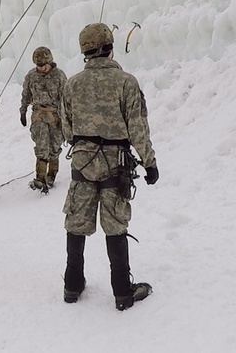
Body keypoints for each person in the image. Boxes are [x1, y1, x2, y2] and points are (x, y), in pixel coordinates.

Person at [60, 23, 159, 311]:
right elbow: (138, 127)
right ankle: (121, 291)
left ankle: (72, 285)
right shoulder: (126, 82)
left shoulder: (72, 83)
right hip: (115, 163)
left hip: (81, 161)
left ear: (85, 51)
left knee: (76, 223)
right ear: (109, 46)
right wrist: (149, 163)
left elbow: (67, 129)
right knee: (115, 225)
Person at [20, 46, 67, 193]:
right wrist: (23, 111)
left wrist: (66, 118)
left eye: (42, 65)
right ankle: (40, 177)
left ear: (49, 61)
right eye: (38, 65)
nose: (40, 68)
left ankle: (51, 175)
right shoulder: (31, 76)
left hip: (55, 116)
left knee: (54, 147)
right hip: (39, 115)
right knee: (41, 146)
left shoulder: (59, 76)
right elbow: (26, 95)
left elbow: (66, 98)